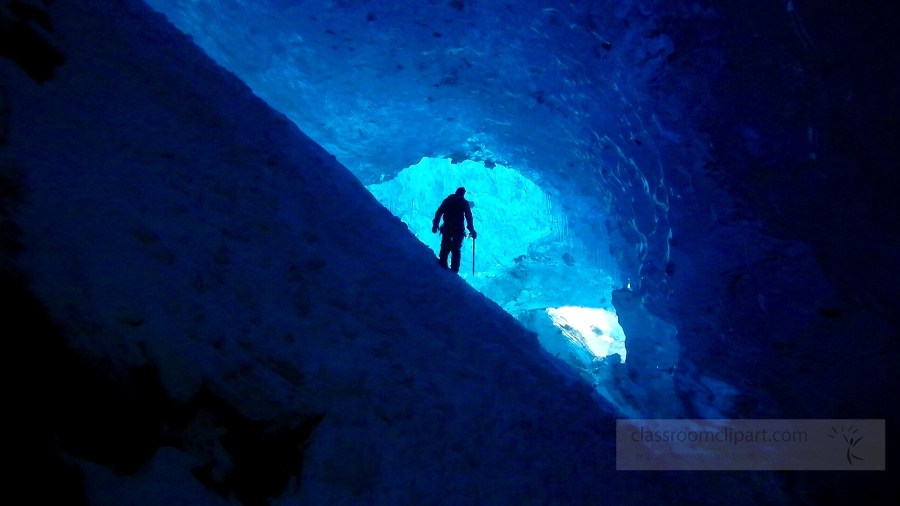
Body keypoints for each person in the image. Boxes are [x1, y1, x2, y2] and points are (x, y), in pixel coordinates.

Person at [432, 187, 477, 273]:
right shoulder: (462, 202)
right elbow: (468, 218)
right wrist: (472, 230)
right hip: (456, 230)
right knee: (454, 249)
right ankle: (452, 272)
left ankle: (445, 268)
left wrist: (435, 225)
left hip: (449, 228)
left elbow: (439, 212)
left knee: (447, 248)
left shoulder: (449, 201)